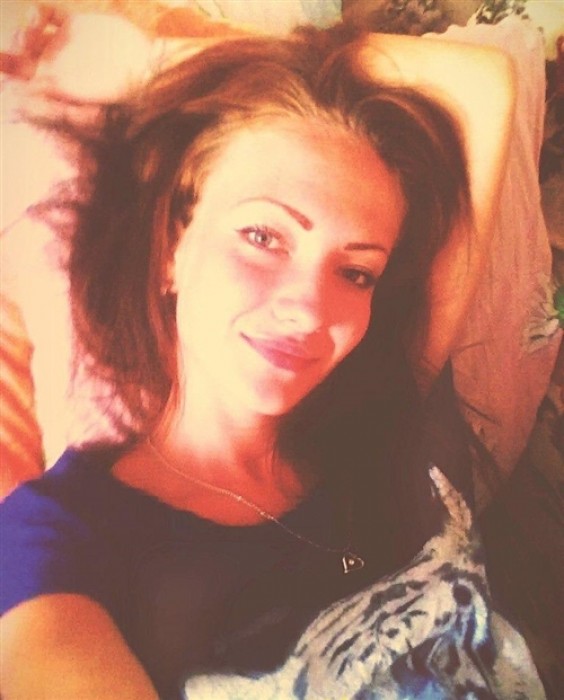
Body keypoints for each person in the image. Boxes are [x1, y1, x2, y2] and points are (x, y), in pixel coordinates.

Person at [0, 9, 517, 700]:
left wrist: (172, 46)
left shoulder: (387, 399)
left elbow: (485, 80)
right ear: (171, 248)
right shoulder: (55, 542)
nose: (309, 308)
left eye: (356, 271)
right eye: (263, 237)